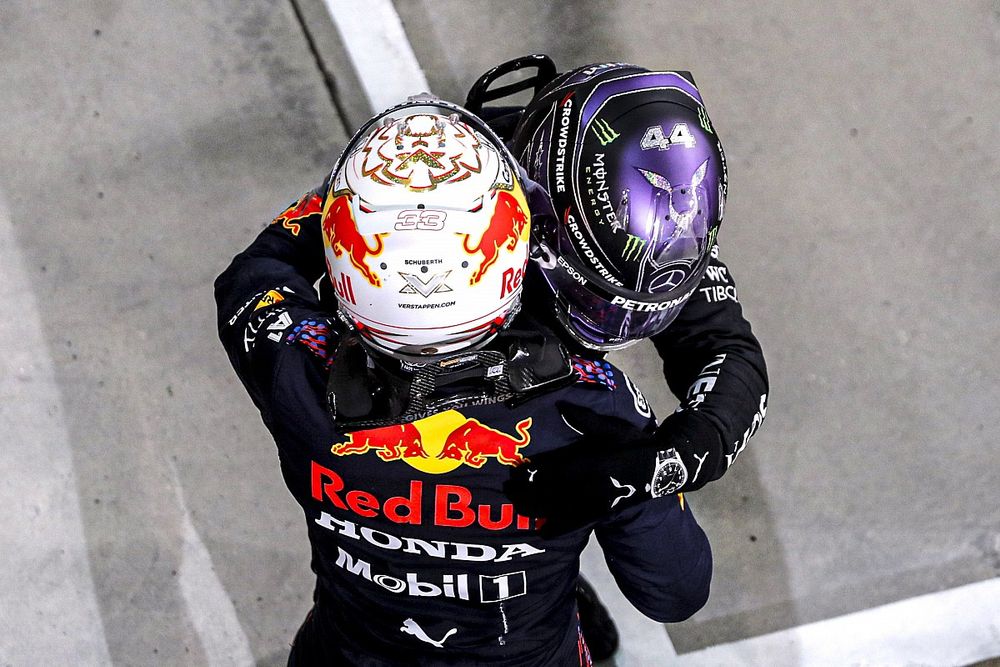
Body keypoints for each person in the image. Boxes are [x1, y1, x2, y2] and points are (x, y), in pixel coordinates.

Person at [216, 96, 712, 666]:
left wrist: (353, 196)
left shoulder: (292, 367)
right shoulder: (595, 404)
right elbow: (675, 591)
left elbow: (254, 274)